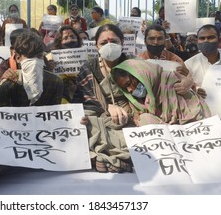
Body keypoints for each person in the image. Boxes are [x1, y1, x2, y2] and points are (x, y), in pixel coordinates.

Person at [74, 24, 192, 172]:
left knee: (147, 126)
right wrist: (106, 106)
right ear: (96, 46)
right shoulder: (89, 67)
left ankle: (111, 156)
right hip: (99, 113)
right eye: (104, 43)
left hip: (133, 112)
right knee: (84, 124)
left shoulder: (133, 63)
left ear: (122, 42)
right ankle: (117, 157)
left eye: (114, 42)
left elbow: (161, 78)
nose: (109, 46)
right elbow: (83, 98)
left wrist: (187, 81)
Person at [111, 59, 211, 126]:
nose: (129, 90)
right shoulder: (137, 100)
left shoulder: (171, 82)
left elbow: (192, 116)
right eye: (125, 88)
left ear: (141, 75)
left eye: (129, 83)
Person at [0, 30, 63, 107]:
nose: (35, 62)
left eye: (38, 56)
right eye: (30, 56)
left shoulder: (55, 82)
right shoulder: (8, 85)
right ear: (18, 58)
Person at [47, 25, 83, 103]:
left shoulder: (86, 56)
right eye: (65, 38)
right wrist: (48, 68)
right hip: (60, 96)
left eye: (72, 37)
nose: (70, 40)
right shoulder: (50, 57)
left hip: (83, 93)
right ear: (59, 42)